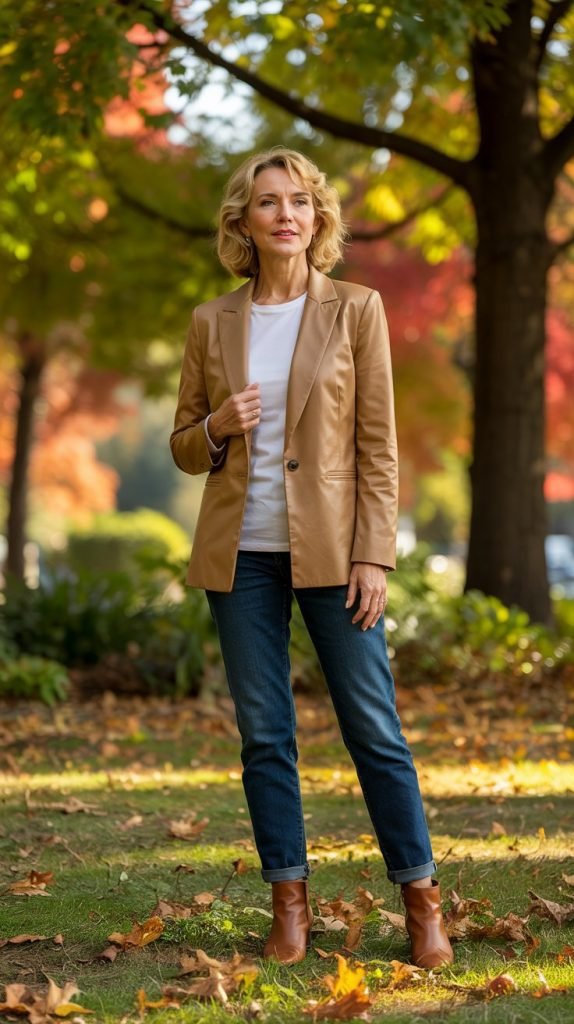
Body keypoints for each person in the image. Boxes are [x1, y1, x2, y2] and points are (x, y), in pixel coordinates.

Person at [170, 146, 453, 969]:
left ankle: (422, 902)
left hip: (337, 553)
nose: (285, 213)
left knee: (374, 728)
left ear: (318, 219)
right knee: (265, 733)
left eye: (300, 200)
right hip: (241, 556)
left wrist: (375, 554)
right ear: (244, 223)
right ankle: (289, 905)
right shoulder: (210, 321)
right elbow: (186, 446)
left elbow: (379, 443)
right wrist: (218, 425)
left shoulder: (356, 309)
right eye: (268, 202)